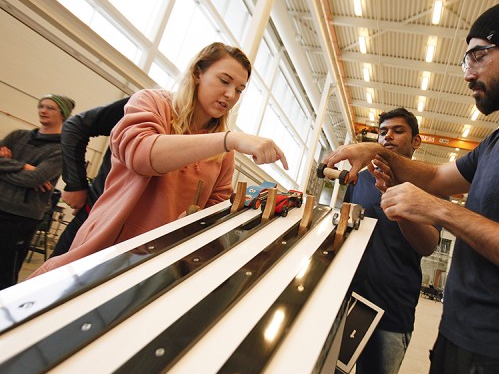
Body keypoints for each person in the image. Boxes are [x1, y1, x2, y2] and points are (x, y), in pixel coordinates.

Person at [324, 0, 499, 374]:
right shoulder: (498, 140)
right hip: (458, 341)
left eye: (478, 54)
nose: (468, 73)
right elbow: (436, 177)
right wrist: (375, 152)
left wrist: (440, 210)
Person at [30, 42, 288, 278]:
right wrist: (229, 139)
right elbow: (142, 154)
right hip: (107, 249)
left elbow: (215, 206)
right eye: (224, 81)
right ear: (198, 73)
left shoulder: (223, 151)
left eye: (239, 90)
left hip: (158, 262)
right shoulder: (152, 103)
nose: (231, 95)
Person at [339, 108, 440, 374]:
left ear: (416, 141)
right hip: (347, 300)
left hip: (392, 310)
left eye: (398, 131)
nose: (388, 137)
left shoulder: (430, 184)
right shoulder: (359, 178)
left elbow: (428, 245)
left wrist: (401, 208)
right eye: (383, 132)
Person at [0, 94, 75, 289]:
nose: (43, 110)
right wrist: (25, 166)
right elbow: (31, 176)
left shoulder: (61, 149)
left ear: (63, 114)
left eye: (50, 108)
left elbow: (35, 179)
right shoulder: (17, 136)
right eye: (41, 106)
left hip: (20, 217)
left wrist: (7, 167)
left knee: (5, 272)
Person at [50, 97, 128, 258]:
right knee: (55, 279)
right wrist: (76, 184)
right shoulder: (150, 104)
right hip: (96, 218)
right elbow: (75, 127)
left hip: (140, 238)